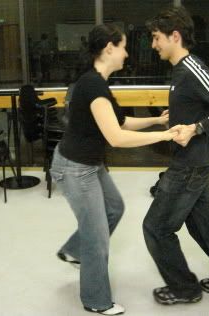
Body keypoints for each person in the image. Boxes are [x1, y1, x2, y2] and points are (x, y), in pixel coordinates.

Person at [49, 24, 177, 315]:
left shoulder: (98, 83)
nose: (127, 53)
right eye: (123, 47)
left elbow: (120, 122)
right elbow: (117, 138)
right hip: (76, 168)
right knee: (98, 240)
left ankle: (73, 250)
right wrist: (166, 136)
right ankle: (96, 301)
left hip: (87, 164)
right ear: (109, 48)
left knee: (114, 208)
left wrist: (157, 121)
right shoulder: (93, 86)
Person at [142, 6, 209, 306]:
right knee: (204, 225)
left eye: (156, 38)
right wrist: (174, 115)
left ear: (175, 36)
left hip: (190, 164)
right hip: (196, 162)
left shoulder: (192, 69)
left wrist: (197, 127)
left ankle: (184, 289)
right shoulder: (180, 72)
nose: (153, 45)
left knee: (157, 228)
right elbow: (197, 106)